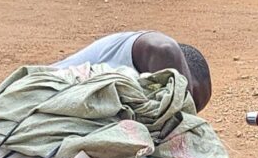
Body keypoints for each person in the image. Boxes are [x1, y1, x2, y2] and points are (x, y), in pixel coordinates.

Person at [54, 31, 212, 113]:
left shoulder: (143, 98)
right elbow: (165, 48)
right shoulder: (149, 49)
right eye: (190, 97)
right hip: (47, 92)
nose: (188, 109)